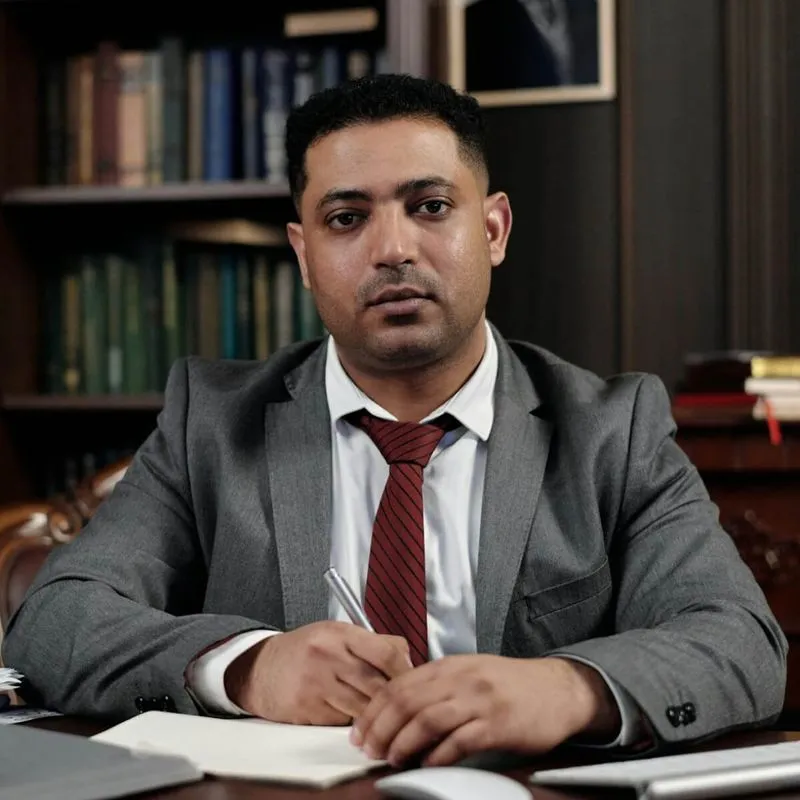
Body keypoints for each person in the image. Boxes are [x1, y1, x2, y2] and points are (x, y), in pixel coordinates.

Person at [3, 74, 786, 768]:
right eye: (347, 219)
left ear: (493, 229)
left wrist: (566, 688)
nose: (393, 249)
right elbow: (57, 618)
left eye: (431, 206)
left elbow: (739, 641)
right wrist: (245, 666)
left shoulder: (612, 430)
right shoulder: (210, 422)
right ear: (304, 254)